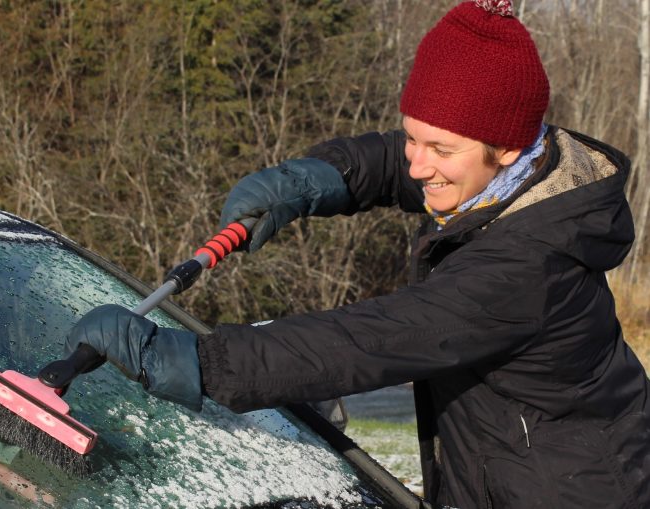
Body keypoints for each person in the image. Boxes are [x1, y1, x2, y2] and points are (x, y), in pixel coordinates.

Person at [64, 1, 650, 507]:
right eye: (412, 135)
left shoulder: (529, 267)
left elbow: (369, 340)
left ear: (509, 147)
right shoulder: (515, 175)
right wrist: (322, 178)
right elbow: (405, 159)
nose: (417, 164)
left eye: (439, 147)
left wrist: (196, 362)